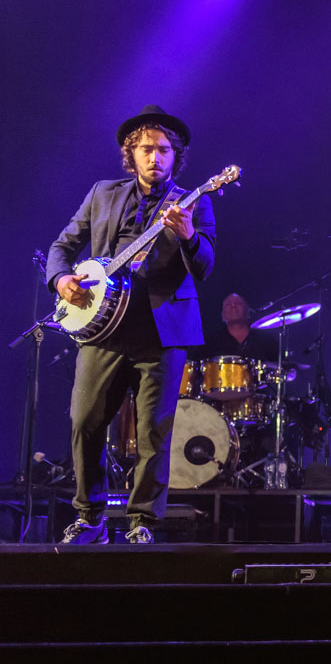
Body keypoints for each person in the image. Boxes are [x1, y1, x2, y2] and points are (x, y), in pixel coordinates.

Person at [47, 105, 216, 544]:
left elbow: (205, 266)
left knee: (152, 434)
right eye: (145, 149)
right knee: (84, 421)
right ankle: (90, 517)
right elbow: (63, 246)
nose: (154, 157)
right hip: (103, 330)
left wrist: (188, 236)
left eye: (163, 150)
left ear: (175, 156)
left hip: (162, 334)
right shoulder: (102, 193)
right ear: (131, 154)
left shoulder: (194, 201)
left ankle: (143, 522)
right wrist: (61, 279)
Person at [199, 293, 280, 363]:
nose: (233, 306)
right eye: (228, 304)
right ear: (222, 314)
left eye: (239, 303)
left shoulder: (267, 340)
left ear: (248, 311)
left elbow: (281, 367)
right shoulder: (210, 341)